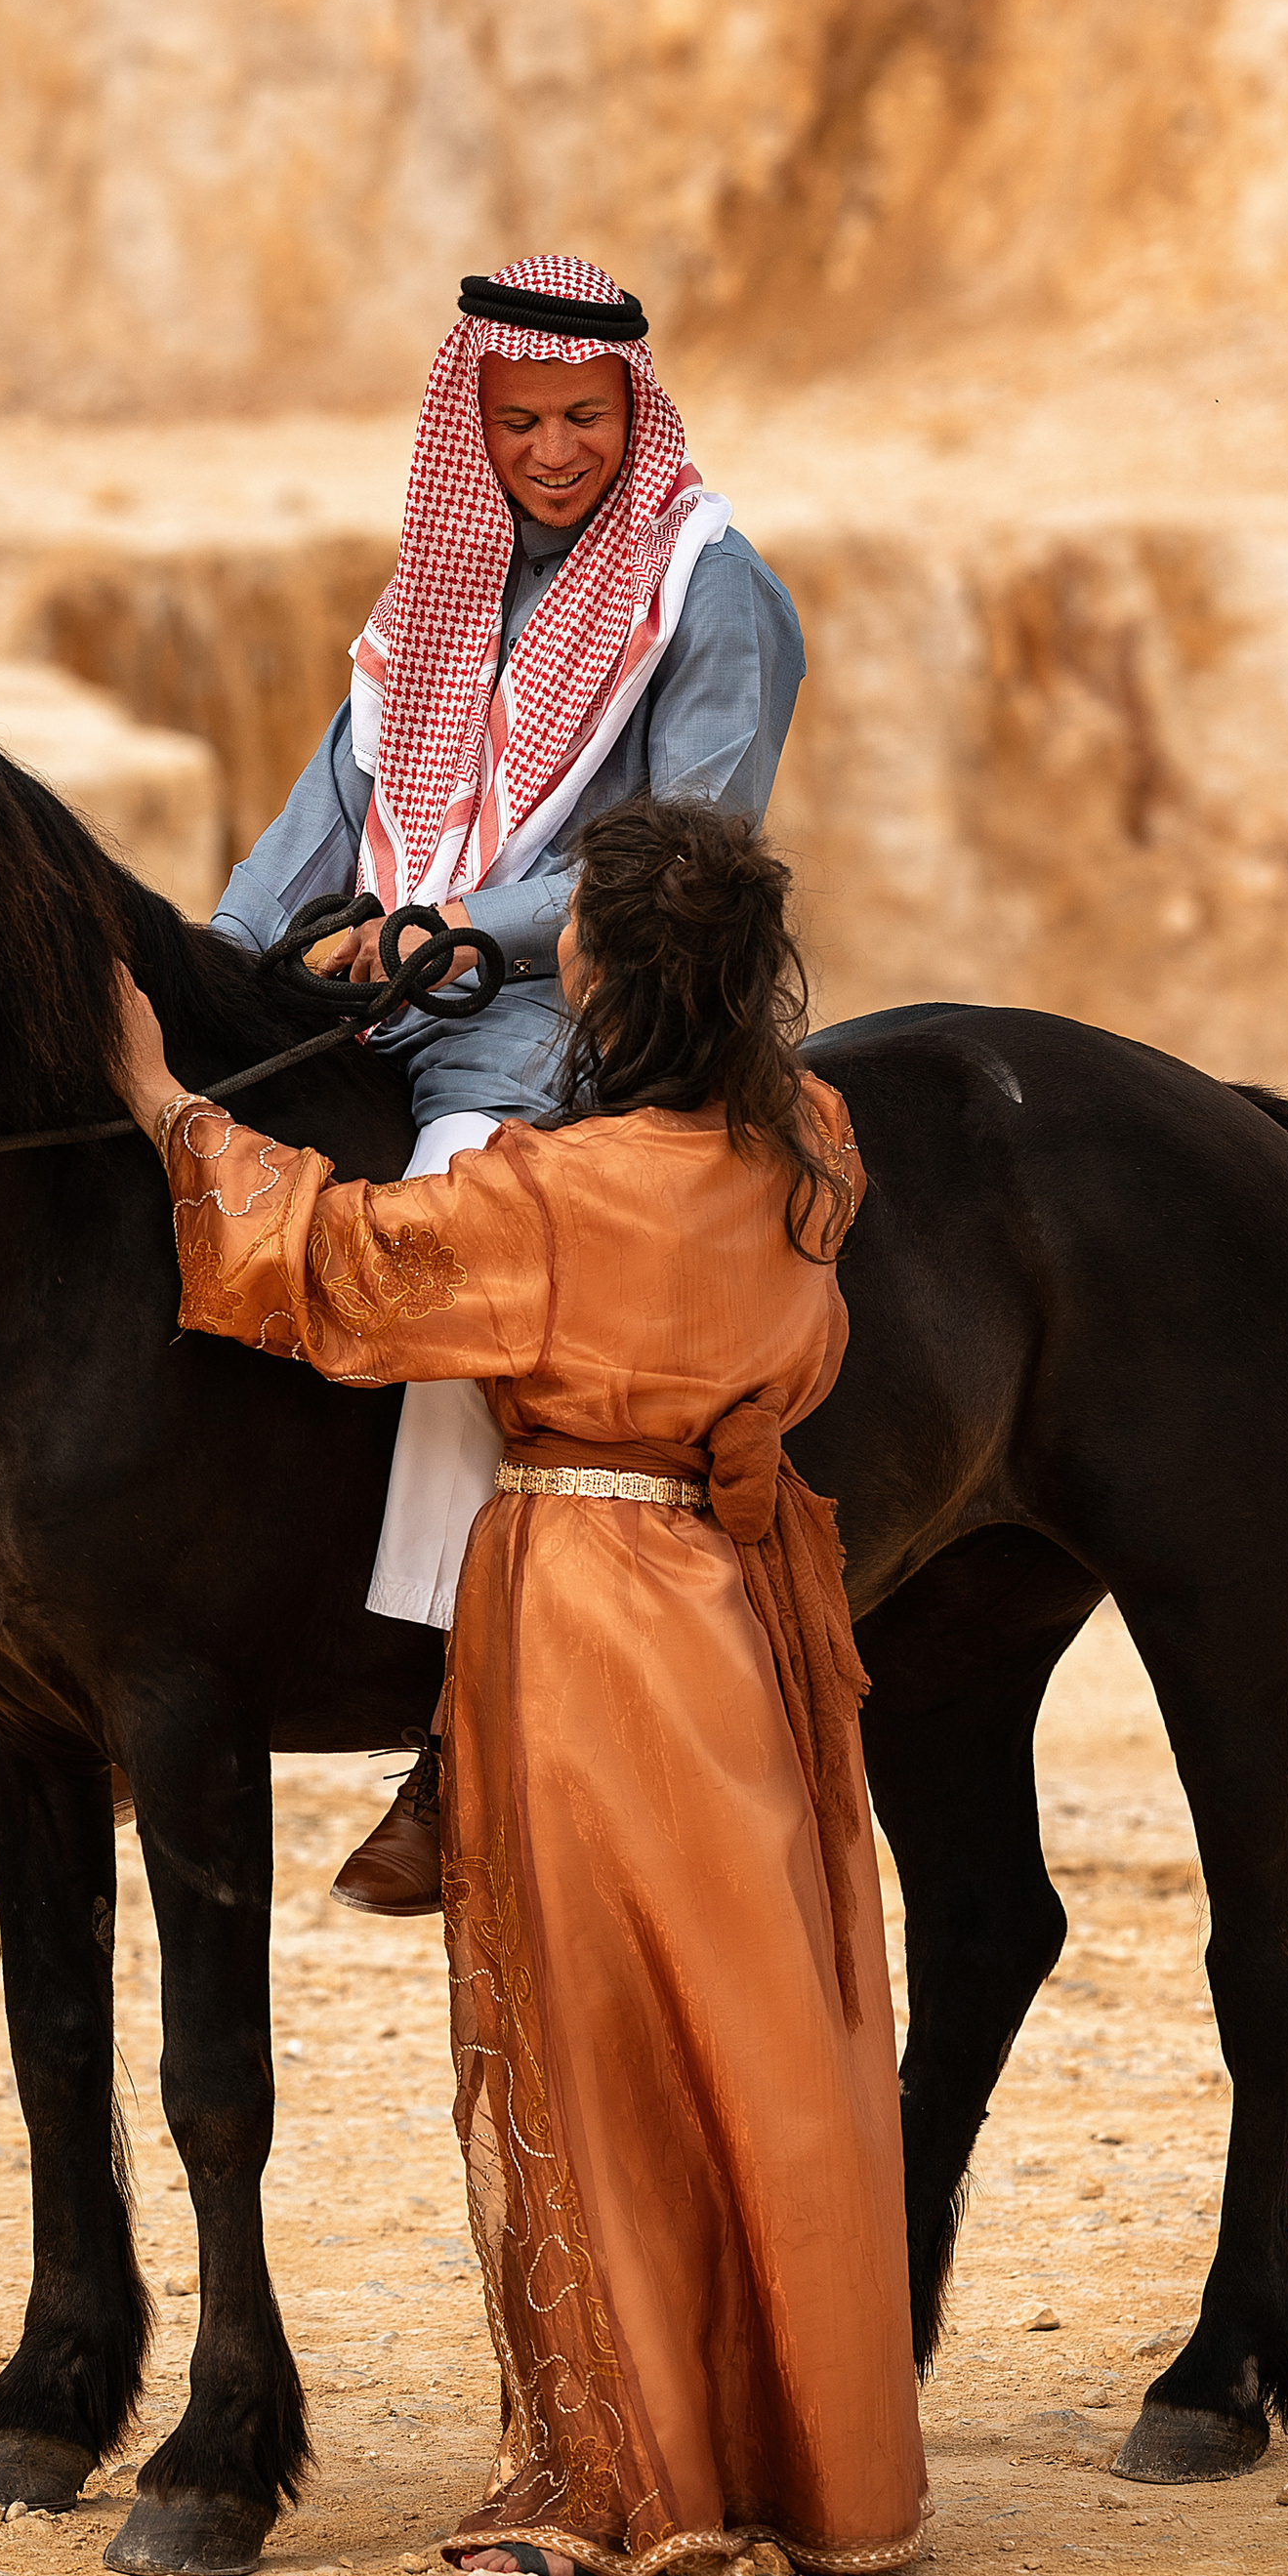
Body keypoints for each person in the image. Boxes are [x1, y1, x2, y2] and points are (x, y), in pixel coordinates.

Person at [109, 799, 930, 2576]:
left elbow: (317, 1268)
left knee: (605, 2054)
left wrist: (166, 1104)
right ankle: (833, 2477)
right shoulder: (816, 1158)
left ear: (609, 978)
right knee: (774, 2035)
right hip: (744, 1608)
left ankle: (633, 2479)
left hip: (582, 1619)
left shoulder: (551, 1204)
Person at [210, 256, 807, 1912]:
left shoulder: (712, 592)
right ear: (473, 415)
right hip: (388, 981)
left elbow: (687, 858)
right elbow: (323, 810)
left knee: (456, 1232)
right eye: (524, 418)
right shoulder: (446, 585)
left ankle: (465, 1715)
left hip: (572, 1008)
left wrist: (457, 928)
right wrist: (214, 966)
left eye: (587, 418)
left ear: (637, 411)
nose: (555, 450)